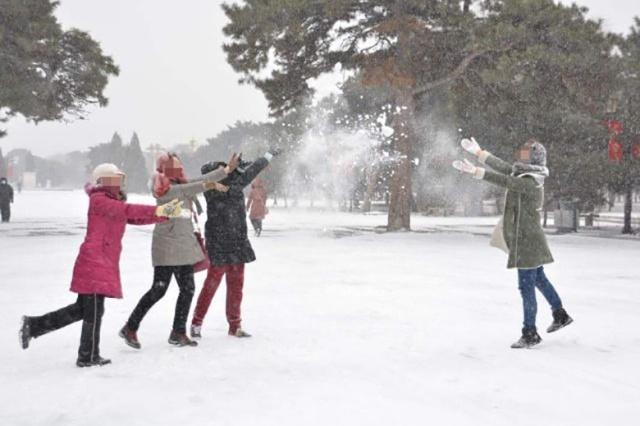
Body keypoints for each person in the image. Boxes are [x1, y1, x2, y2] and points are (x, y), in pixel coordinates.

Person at [19, 164, 183, 367]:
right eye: (115, 178)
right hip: (94, 262)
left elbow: (131, 216)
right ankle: (87, 356)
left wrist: (162, 214)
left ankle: (34, 326)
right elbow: (127, 210)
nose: (120, 182)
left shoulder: (110, 201)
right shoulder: (100, 201)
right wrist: (159, 209)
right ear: (104, 180)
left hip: (99, 262)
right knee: (93, 312)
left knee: (83, 310)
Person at [453, 137, 573, 349]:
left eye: (525, 153)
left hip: (527, 241)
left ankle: (530, 333)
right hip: (529, 239)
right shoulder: (524, 173)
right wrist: (479, 152)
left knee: (526, 287)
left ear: (533, 158)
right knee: (539, 280)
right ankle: (560, 314)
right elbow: (503, 168)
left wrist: (476, 172)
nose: (521, 154)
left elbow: (507, 181)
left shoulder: (530, 181)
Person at [119, 152, 239, 348]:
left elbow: (199, 180)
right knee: (163, 290)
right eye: (176, 166)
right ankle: (141, 328)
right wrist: (216, 179)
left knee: (178, 289)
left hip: (178, 246)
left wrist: (225, 171)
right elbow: (197, 185)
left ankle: (173, 331)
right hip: (169, 246)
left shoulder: (177, 184)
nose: (180, 169)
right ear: (167, 169)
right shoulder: (165, 189)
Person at [190, 151, 279, 339]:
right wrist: (266, 156)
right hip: (220, 242)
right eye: (224, 169)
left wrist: (254, 161)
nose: (228, 171)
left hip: (237, 241)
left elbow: (245, 171)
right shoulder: (216, 188)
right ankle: (197, 323)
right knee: (212, 285)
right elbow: (248, 172)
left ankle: (234, 325)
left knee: (236, 286)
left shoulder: (232, 183)